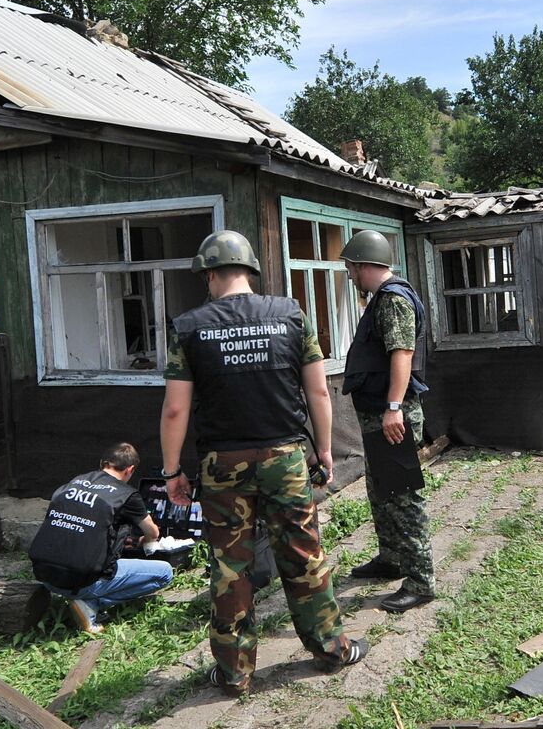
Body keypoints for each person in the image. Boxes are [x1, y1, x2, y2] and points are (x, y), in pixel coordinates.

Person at [160, 229, 369, 695]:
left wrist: (172, 470)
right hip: (285, 458)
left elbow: (175, 408)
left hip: (222, 464)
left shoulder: (189, 328)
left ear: (211, 273)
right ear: (250, 271)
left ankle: (235, 673)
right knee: (303, 553)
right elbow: (317, 390)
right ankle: (332, 650)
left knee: (230, 566)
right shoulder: (292, 315)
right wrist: (325, 448)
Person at [337, 229, 436, 613]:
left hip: (392, 413)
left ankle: (421, 581)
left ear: (363, 265)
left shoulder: (393, 299)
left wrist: (394, 406)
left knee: (402, 496)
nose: (349, 275)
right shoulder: (380, 298)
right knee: (382, 492)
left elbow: (402, 354)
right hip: (379, 414)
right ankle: (391, 559)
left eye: (350, 267)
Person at [28, 442, 174, 635]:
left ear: (102, 463)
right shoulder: (126, 494)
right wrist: (145, 541)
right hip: (81, 581)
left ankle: (81, 599)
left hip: (45, 575)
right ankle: (91, 603)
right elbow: (153, 532)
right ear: (130, 470)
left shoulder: (73, 482)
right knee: (165, 572)